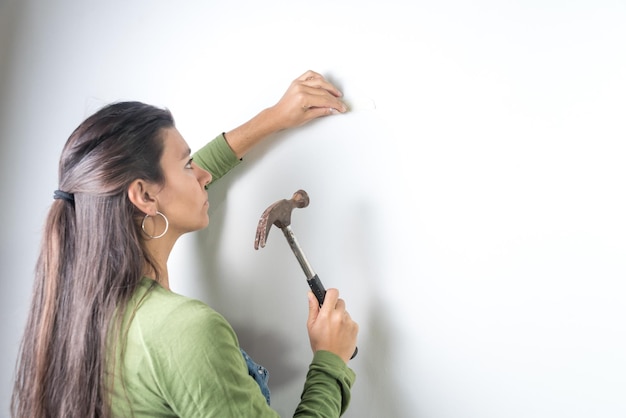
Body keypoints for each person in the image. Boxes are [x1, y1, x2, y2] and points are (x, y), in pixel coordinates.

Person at [11, 70, 359, 418]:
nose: (203, 175)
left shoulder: (78, 315)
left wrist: (273, 118)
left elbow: (181, 179)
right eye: (187, 164)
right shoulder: (184, 331)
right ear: (144, 195)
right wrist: (330, 361)